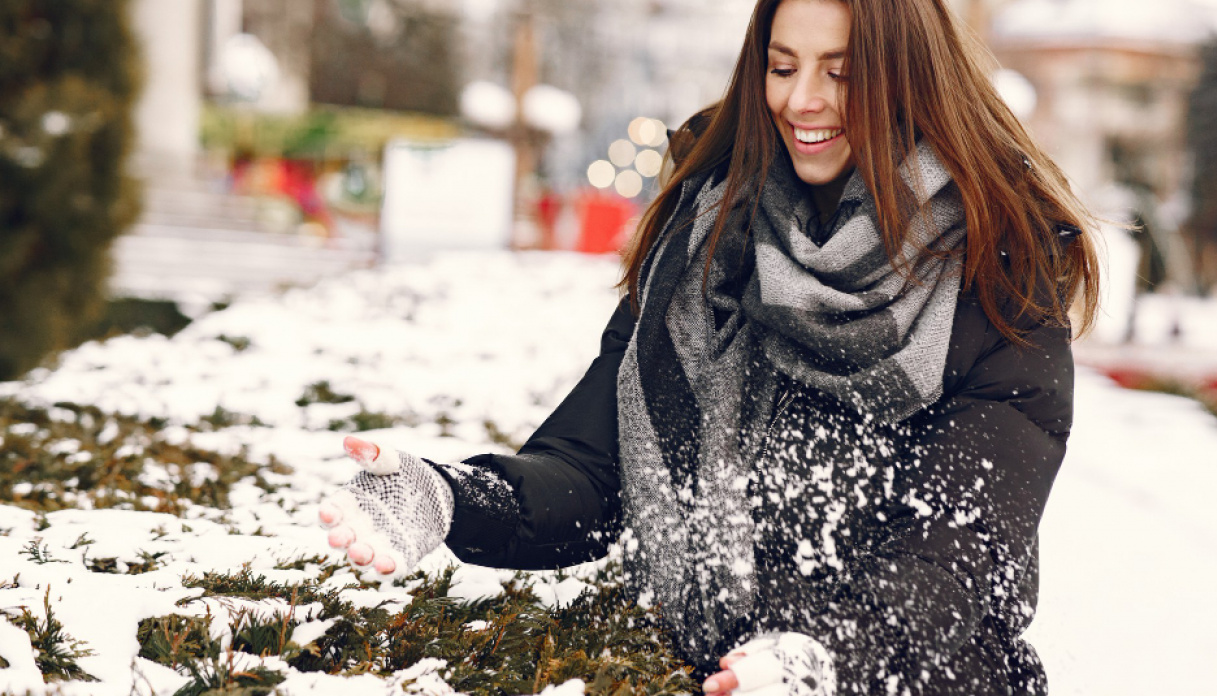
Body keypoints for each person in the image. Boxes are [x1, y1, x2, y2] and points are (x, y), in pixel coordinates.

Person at [316, 0, 1101, 693]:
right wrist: (452, 498)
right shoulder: (707, 239)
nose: (803, 100)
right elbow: (594, 471)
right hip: (721, 673)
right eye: (783, 66)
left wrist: (831, 656)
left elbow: (962, 548)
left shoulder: (998, 275)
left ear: (908, 77)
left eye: (841, 72)